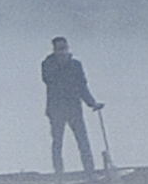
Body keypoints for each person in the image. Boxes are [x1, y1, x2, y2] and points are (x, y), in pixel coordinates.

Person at [42, 36, 108, 174]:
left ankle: (90, 173)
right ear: (54, 50)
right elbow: (50, 81)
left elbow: (82, 86)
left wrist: (92, 103)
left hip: (74, 110)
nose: (63, 52)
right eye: (60, 49)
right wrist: (63, 66)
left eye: (65, 48)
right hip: (56, 110)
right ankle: (59, 175)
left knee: (83, 142)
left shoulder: (76, 65)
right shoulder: (47, 64)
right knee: (57, 144)